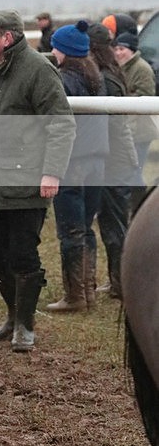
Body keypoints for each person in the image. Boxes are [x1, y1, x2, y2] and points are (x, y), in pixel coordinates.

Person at [0, 9, 75, 351]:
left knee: (22, 255)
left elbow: (61, 123)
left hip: (29, 183)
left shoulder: (39, 70)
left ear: (8, 37)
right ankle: (14, 314)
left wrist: (52, 171)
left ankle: (25, 326)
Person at [46, 21, 109, 313]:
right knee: (86, 228)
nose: (52, 50)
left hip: (73, 160)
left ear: (65, 51)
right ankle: (89, 290)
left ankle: (74, 296)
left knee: (70, 230)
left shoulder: (62, 80)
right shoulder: (96, 76)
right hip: (97, 159)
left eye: (55, 46)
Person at [87, 23, 138, 300]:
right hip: (118, 156)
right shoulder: (111, 72)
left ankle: (121, 283)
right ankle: (118, 280)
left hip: (113, 160)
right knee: (113, 223)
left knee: (114, 226)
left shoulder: (104, 78)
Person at [112, 31, 158, 211]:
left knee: (135, 172)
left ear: (131, 50)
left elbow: (145, 98)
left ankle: (140, 207)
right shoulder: (121, 67)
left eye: (121, 49)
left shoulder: (142, 69)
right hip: (129, 130)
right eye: (116, 48)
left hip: (140, 131)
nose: (117, 52)